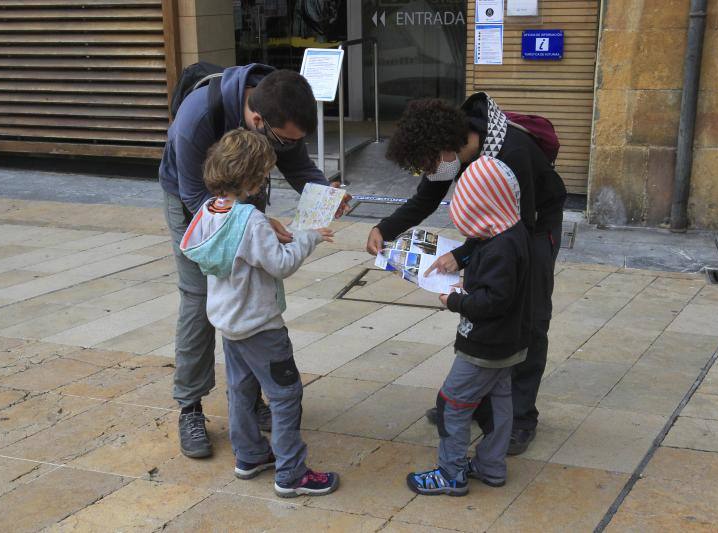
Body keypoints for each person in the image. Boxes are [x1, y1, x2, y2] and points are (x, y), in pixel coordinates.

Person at [159, 64, 348, 458]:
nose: (289, 146)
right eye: (284, 139)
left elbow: (298, 167)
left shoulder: (279, 102)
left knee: (247, 295)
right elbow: (199, 202)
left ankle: (251, 399)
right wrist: (256, 222)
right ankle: (190, 406)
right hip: (192, 201)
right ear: (257, 120)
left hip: (244, 201)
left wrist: (324, 196)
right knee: (199, 297)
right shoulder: (196, 120)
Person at [367, 94, 566, 455]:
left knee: (528, 319)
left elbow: (515, 232)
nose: (429, 172)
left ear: (446, 147)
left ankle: (521, 419)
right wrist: (386, 228)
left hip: (534, 228)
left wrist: (462, 254)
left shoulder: (511, 154)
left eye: (428, 164)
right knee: (488, 311)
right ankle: (478, 402)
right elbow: (426, 197)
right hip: (495, 231)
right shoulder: (449, 151)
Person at [180, 129, 340, 497]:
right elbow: (281, 265)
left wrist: (268, 229)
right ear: (253, 179)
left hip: (229, 322)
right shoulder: (250, 220)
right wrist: (310, 236)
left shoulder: (209, 209)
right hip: (261, 327)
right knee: (286, 395)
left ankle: (250, 455)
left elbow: (238, 244)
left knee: (240, 389)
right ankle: (291, 473)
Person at [407, 155, 532, 496]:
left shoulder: (500, 249)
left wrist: (456, 301)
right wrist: (465, 261)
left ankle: (451, 473)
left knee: (452, 403)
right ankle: (491, 467)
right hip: (509, 342)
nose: (469, 229)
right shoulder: (512, 232)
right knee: (500, 399)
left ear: (487, 210)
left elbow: (494, 301)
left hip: (484, 347)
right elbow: (499, 289)